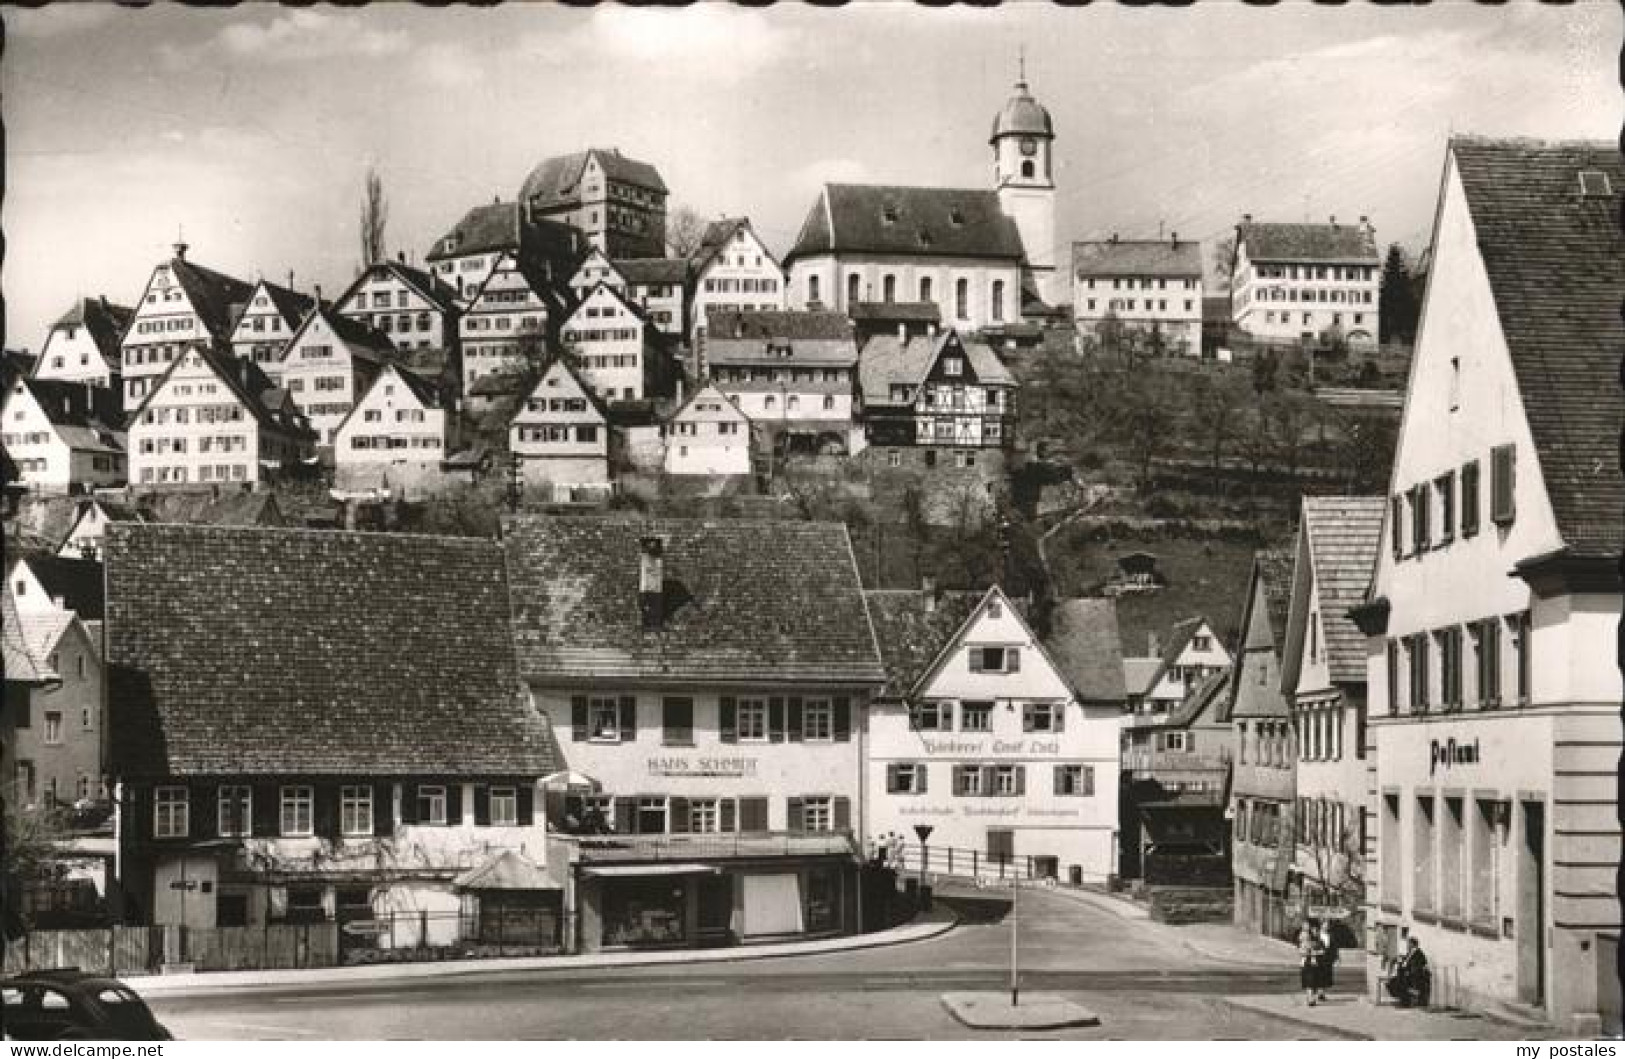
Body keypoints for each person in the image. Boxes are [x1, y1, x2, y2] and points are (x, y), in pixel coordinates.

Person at [1386, 937, 1432, 1008]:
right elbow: (1406, 962)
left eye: (1409, 943)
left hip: (1415, 976)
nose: (1407, 945)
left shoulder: (1419, 953)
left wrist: (1408, 971)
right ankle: (1403, 1000)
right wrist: (1400, 961)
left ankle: (1405, 1002)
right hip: (1406, 974)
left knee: (1401, 983)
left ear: (1413, 944)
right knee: (1392, 982)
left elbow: (1419, 965)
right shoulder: (1410, 952)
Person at [1298, 920, 1324, 1006]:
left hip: (1312, 962)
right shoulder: (1303, 942)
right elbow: (1302, 952)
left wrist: (1315, 952)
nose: (1303, 937)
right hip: (1307, 962)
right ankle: (1310, 999)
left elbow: (1321, 950)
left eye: (1307, 926)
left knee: (1311, 981)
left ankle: (1310, 998)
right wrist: (1313, 953)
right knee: (1309, 981)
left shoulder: (1315, 940)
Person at [1315, 919, 1340, 1001]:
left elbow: (1335, 947)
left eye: (1327, 925)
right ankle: (1319, 993)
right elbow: (1312, 945)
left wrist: (1337, 957)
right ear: (1321, 925)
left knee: (1326, 976)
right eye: (1324, 925)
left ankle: (1321, 993)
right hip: (1318, 958)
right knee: (1318, 975)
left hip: (1328, 959)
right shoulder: (1316, 935)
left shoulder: (1330, 935)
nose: (1326, 926)